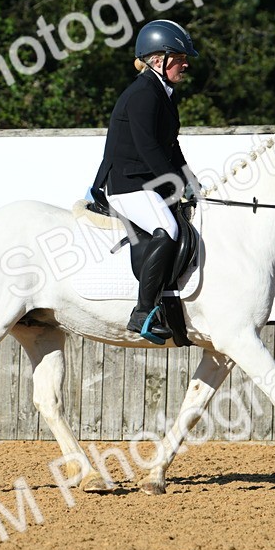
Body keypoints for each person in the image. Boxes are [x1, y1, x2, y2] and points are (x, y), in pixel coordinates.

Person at [90, 19, 199, 344]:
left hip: (144, 182)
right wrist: (173, 184)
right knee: (168, 230)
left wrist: (190, 182)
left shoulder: (164, 93)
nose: (185, 63)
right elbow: (147, 147)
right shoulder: (142, 94)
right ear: (159, 59)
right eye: (180, 57)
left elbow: (171, 145)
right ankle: (143, 312)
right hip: (126, 184)